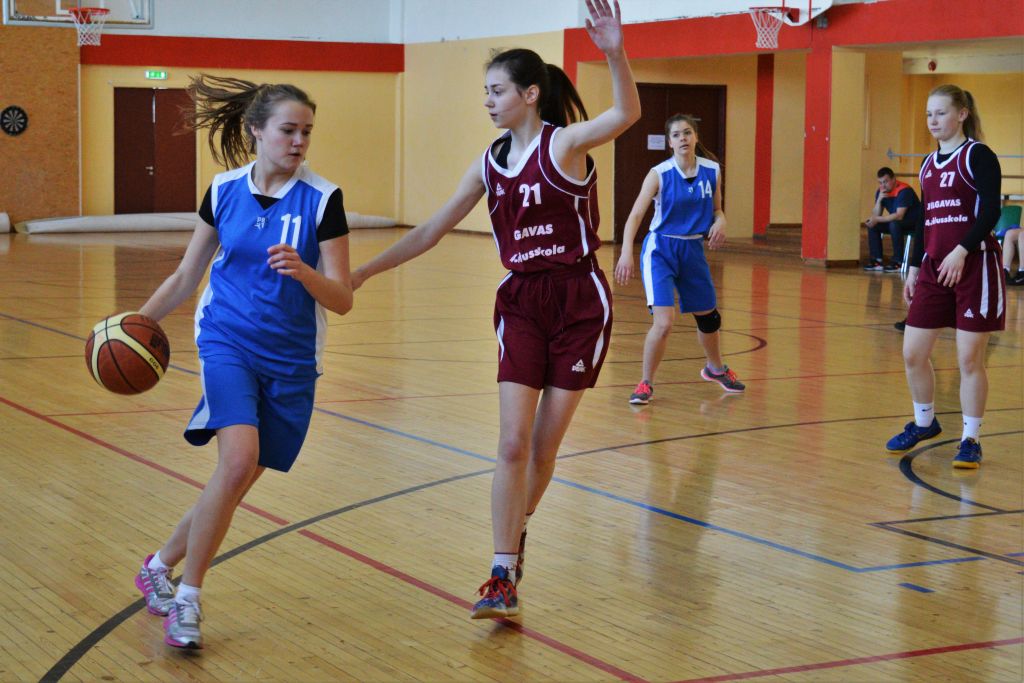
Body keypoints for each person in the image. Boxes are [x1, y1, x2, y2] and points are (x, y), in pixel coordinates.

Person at [351, 0, 639, 619]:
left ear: (530, 95)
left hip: (579, 300)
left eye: (497, 90)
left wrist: (615, 52)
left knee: (542, 449)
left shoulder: (565, 145)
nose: (487, 100)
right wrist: (363, 272)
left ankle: (516, 526)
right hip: (522, 301)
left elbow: (625, 114)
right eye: (485, 91)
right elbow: (430, 230)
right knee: (511, 443)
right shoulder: (488, 162)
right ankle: (502, 572)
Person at [132, 74, 354, 648]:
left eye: (307, 132)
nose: (299, 141)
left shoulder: (323, 200)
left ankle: (158, 565)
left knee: (235, 480)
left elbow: (342, 298)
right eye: (288, 130)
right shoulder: (223, 189)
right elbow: (188, 274)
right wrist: (138, 324)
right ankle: (188, 600)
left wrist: (304, 273)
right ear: (256, 130)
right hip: (226, 339)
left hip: (293, 357)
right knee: (236, 463)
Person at [886, 84, 1003, 469]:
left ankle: (971, 438)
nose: (933, 120)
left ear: (962, 114)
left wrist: (961, 250)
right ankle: (925, 422)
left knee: (969, 359)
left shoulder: (978, 156)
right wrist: (914, 268)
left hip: (974, 265)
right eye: (928, 114)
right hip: (935, 268)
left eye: (940, 113)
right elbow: (925, 219)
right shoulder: (927, 164)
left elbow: (990, 212)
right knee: (912, 352)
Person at [614, 114, 745, 405]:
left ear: (695, 137)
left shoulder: (712, 170)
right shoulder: (659, 173)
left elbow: (717, 209)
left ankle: (715, 369)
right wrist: (625, 253)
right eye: (676, 135)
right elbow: (636, 215)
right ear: (670, 142)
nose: (682, 138)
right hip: (661, 249)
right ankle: (645, 383)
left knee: (709, 318)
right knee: (664, 322)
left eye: (687, 133)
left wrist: (722, 221)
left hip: (692, 249)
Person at [863, 166, 922, 272]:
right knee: (873, 225)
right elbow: (876, 214)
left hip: (914, 223)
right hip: (896, 223)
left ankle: (897, 262)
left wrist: (877, 219)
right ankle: (877, 261)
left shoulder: (904, 190)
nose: (883, 185)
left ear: (893, 179)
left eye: (885, 182)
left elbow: (899, 215)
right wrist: (879, 200)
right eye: (880, 183)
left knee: (894, 224)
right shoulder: (881, 192)